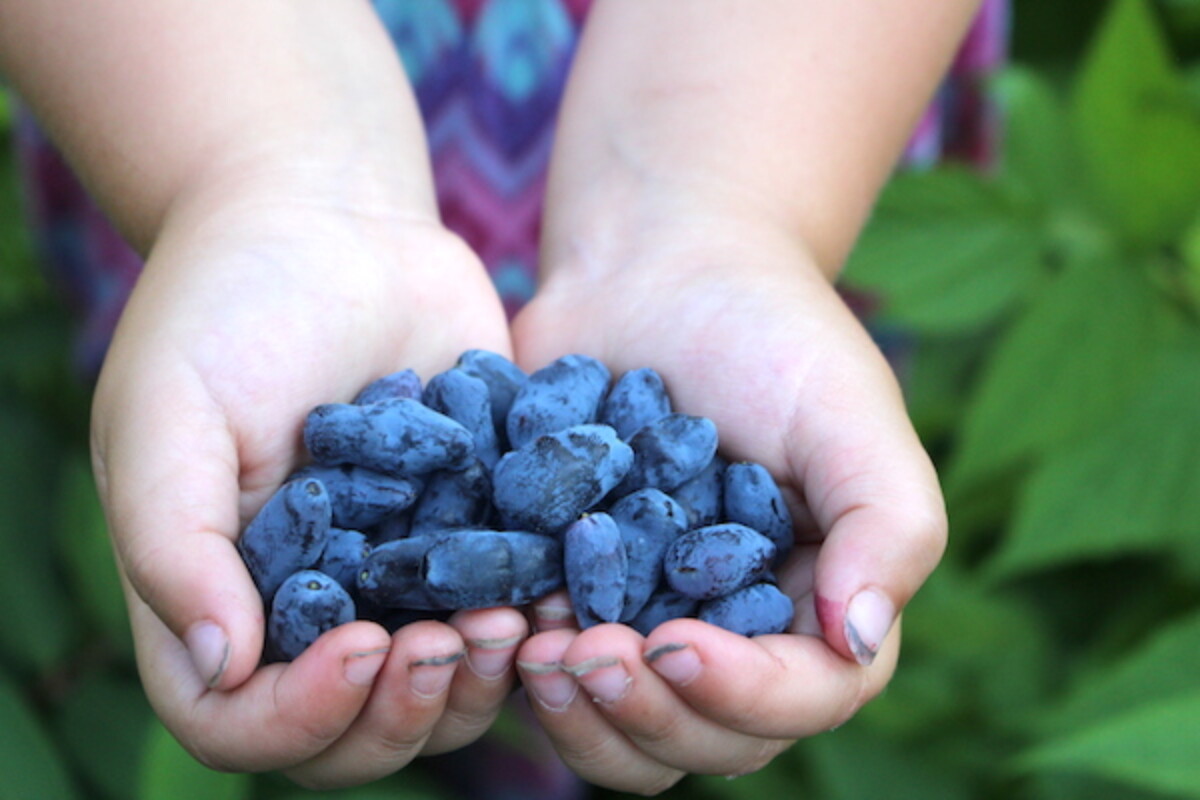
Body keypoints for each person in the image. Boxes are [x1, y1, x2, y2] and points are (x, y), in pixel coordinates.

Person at [0, 0, 1006, 794]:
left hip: (784, 94)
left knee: (498, 643)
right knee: (452, 643)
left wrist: (717, 215)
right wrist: (257, 181)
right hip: (178, 76)